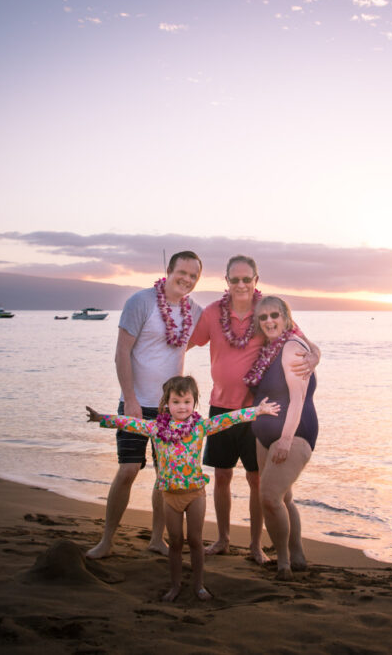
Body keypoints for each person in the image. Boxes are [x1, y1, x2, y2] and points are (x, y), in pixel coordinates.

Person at [86, 376, 279, 601]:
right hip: (169, 495)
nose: (182, 407)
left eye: (187, 402)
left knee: (195, 541)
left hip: (195, 494)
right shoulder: (156, 428)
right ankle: (175, 585)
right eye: (176, 402)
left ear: (194, 402)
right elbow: (129, 423)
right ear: (166, 403)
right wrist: (101, 418)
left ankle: (198, 585)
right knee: (176, 542)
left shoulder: (200, 427)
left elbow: (229, 419)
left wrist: (257, 410)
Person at [188, 255, 320, 563]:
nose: (241, 284)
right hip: (221, 407)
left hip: (257, 411)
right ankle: (223, 539)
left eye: (246, 279)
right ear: (226, 281)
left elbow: (302, 341)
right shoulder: (212, 313)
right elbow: (186, 343)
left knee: (256, 480)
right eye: (235, 279)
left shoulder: (267, 311)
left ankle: (255, 546)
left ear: (255, 280)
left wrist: (316, 355)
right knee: (221, 476)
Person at [86, 251, 203, 560]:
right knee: (128, 470)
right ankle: (106, 540)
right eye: (182, 272)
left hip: (171, 410)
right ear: (169, 270)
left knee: (165, 477)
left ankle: (156, 539)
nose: (187, 279)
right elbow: (121, 352)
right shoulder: (141, 302)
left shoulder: (195, 311)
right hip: (136, 403)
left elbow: (204, 337)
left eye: (193, 276)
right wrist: (130, 399)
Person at [247, 296, 318, 580]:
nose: (269, 321)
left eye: (274, 315)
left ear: (287, 318)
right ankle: (297, 552)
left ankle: (284, 562)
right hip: (264, 435)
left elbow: (298, 399)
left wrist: (286, 439)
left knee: (269, 497)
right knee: (284, 497)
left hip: (294, 433)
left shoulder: (291, 347)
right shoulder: (268, 349)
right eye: (263, 317)